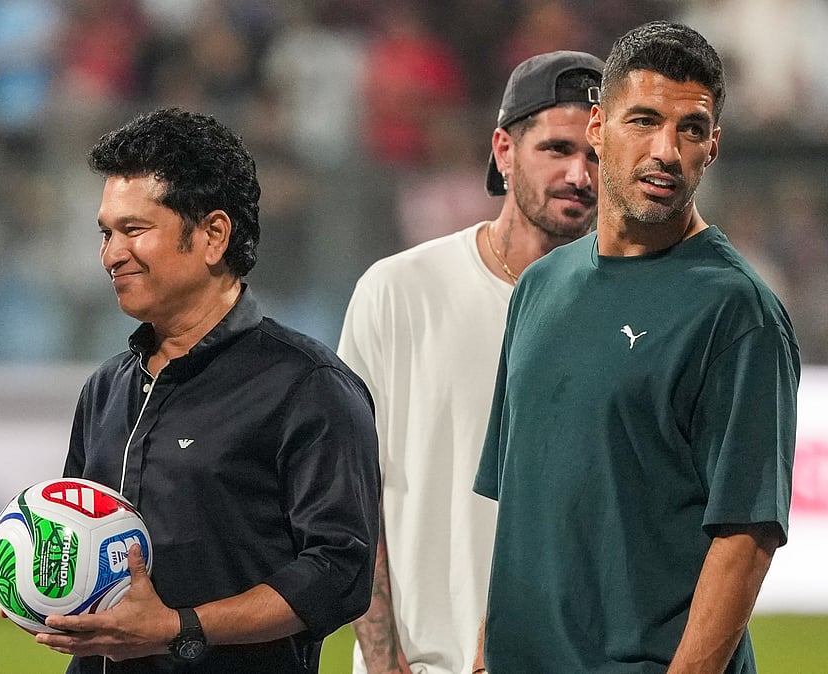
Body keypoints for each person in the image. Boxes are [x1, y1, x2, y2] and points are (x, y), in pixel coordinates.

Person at [473, 21, 799, 674]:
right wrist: (487, 651)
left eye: (692, 129)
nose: (667, 152)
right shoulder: (539, 287)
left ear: (714, 147)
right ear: (598, 129)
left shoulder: (737, 312)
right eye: (644, 121)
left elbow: (745, 535)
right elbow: (526, 506)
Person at [34, 107, 381, 672]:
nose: (111, 254)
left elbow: (339, 573)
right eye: (106, 232)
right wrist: (32, 576)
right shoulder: (105, 388)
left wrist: (178, 629)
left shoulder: (309, 386)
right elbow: (77, 536)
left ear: (214, 235)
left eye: (134, 230)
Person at [337, 50, 602, 674]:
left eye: (597, 155)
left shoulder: (628, 314)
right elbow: (348, 493)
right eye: (557, 149)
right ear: (504, 151)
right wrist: (385, 662)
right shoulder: (398, 292)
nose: (579, 175)